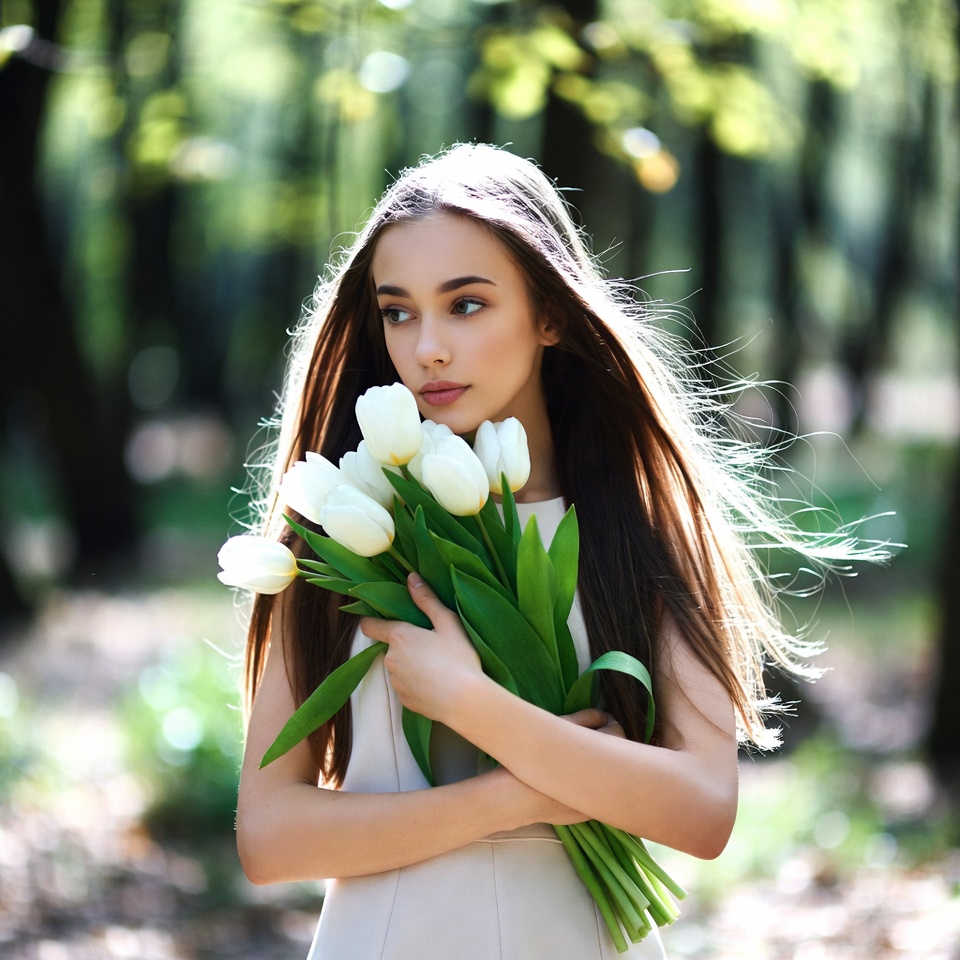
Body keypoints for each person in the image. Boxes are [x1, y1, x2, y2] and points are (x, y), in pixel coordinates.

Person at [232, 143, 881, 959]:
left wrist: (473, 704)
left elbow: (704, 809)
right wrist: (509, 801)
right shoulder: (343, 527)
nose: (427, 345)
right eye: (399, 311)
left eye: (466, 304)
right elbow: (270, 835)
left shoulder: (639, 528)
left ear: (550, 314)